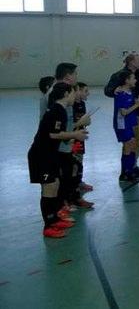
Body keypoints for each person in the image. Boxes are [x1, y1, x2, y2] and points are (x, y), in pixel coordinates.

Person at [28, 83, 88, 238]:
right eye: (73, 93)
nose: (75, 96)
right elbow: (53, 134)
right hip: (41, 156)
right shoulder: (57, 110)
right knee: (49, 188)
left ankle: (54, 218)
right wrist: (75, 135)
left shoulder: (60, 110)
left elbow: (59, 134)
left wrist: (73, 135)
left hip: (50, 154)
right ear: (66, 94)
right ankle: (48, 225)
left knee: (54, 185)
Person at [105, 54, 139, 176]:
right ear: (131, 62)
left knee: (138, 140)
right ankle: (126, 170)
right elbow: (108, 90)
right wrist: (113, 90)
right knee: (129, 142)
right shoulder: (119, 75)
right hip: (128, 115)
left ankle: (133, 166)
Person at [115, 70, 139, 182]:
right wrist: (137, 105)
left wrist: (137, 101)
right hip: (123, 125)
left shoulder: (130, 93)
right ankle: (125, 173)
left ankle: (130, 170)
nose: (135, 80)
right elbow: (124, 112)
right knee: (128, 147)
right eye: (133, 78)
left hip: (130, 123)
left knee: (133, 145)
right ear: (126, 80)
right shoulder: (120, 94)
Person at [70, 83, 94, 205]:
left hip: (81, 137)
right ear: (77, 91)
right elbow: (72, 123)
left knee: (80, 160)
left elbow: (83, 121)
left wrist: (86, 122)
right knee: (74, 162)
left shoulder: (82, 104)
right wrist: (81, 122)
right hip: (73, 138)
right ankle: (73, 188)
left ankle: (79, 182)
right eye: (85, 91)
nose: (87, 93)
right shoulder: (71, 105)